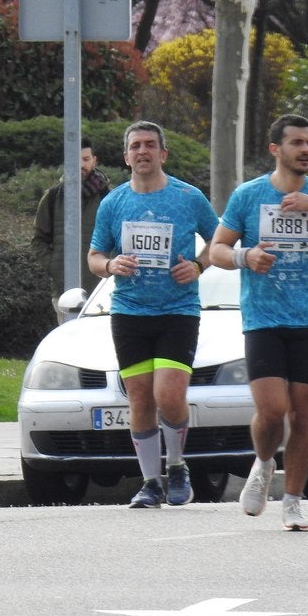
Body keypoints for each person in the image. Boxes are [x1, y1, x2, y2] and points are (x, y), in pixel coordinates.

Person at [208, 114, 308, 532]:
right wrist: (245, 256)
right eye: (296, 143)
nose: (306, 150)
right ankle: (262, 463)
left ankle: (293, 501)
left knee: (304, 413)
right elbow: (217, 248)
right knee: (272, 411)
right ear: (276, 149)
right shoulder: (249, 195)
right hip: (264, 317)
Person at [87, 121, 219, 509]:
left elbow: (220, 241)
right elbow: (94, 257)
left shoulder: (188, 196)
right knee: (141, 398)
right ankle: (150, 482)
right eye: (135, 146)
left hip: (178, 310)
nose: (142, 152)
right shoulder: (114, 202)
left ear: (163, 153)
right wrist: (111, 266)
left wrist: (197, 265)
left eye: (150, 145)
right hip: (129, 311)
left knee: (169, 393)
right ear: (126, 156)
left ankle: (177, 467)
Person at [32, 137, 111, 324]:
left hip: (101, 293)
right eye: (75, 159)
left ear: (94, 161)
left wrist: (110, 270)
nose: (81, 165)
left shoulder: (109, 197)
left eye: (86, 159)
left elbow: (120, 240)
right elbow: (39, 240)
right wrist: (55, 267)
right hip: (63, 291)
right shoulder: (52, 197)